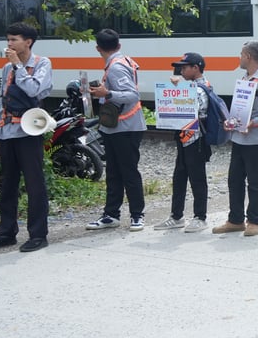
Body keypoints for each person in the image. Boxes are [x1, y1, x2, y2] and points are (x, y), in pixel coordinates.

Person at [0, 22, 53, 253]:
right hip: (8, 133)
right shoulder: (6, 68)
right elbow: (3, 103)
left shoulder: (42, 63)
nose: (9, 44)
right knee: (8, 185)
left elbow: (34, 90)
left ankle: (38, 235)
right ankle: (6, 232)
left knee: (35, 185)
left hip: (29, 133)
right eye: (8, 39)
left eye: (14, 40)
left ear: (28, 42)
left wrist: (18, 66)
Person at [212, 41, 258, 237]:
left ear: (248, 56)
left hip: (256, 139)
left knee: (254, 181)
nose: (239, 58)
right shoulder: (244, 79)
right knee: (234, 180)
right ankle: (235, 220)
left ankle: (254, 221)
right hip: (239, 138)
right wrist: (231, 122)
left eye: (241, 54)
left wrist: (256, 122)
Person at [86, 29, 147, 232]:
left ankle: (137, 215)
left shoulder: (116, 67)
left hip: (125, 128)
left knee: (128, 172)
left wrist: (107, 93)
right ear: (118, 45)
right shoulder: (120, 62)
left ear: (97, 48)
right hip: (116, 128)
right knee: (114, 173)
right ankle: (111, 215)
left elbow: (132, 95)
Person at [153, 53, 212, 233]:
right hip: (183, 138)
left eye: (185, 67)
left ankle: (200, 217)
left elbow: (195, 110)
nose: (181, 71)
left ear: (196, 68)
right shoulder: (189, 87)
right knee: (179, 177)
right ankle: (176, 216)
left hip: (196, 140)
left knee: (197, 178)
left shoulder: (201, 88)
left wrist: (178, 91)